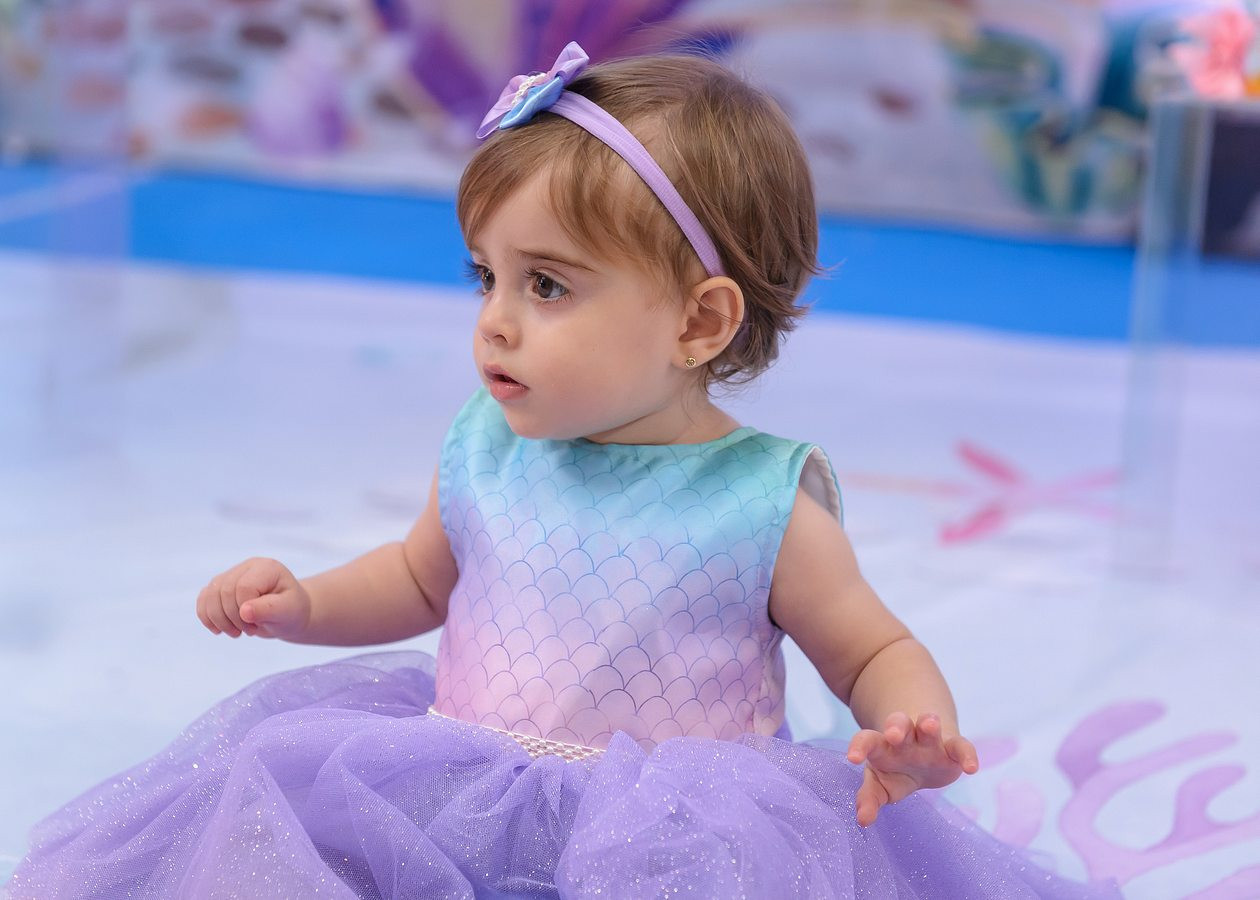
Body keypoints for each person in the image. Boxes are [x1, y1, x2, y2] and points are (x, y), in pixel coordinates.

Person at [9, 42, 1119, 899]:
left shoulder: (761, 502)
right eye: (484, 276)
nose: (494, 321)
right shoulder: (487, 446)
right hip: (448, 793)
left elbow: (871, 647)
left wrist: (913, 730)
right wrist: (303, 605)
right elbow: (418, 578)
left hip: (676, 845)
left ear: (699, 322)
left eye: (546, 286)